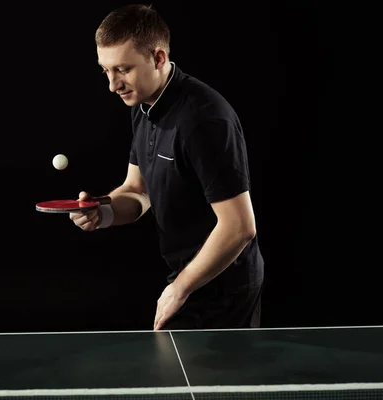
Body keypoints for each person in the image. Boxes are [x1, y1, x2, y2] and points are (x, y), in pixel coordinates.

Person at [69, 4, 264, 331]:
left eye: (123, 70)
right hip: (187, 276)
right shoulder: (142, 102)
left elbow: (240, 227)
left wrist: (180, 287)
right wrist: (103, 213)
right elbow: (137, 191)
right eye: (106, 71)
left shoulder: (204, 120)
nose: (112, 85)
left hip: (224, 287)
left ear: (159, 58)